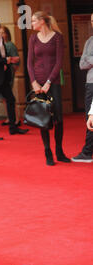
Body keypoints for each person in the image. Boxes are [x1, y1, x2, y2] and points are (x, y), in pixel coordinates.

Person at [27, 11, 69, 165]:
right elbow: (29, 63)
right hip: (38, 83)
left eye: (33, 21)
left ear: (42, 21)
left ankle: (59, 150)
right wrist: (34, 82)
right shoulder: (32, 38)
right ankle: (47, 151)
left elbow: (59, 62)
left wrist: (49, 82)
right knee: (42, 117)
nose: (31, 24)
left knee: (58, 117)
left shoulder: (57, 37)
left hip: (53, 82)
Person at [72, 13, 93, 163]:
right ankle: (87, 152)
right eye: (92, 20)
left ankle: (87, 152)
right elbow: (81, 64)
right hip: (90, 83)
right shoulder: (89, 41)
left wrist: (89, 58)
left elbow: (87, 61)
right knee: (90, 117)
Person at [0, 26, 21, 126]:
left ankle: (16, 118)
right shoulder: (0, 45)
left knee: (9, 97)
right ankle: (9, 117)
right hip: (2, 74)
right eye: (0, 33)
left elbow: (17, 59)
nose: (2, 35)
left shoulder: (10, 45)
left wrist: (10, 68)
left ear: (7, 34)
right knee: (4, 98)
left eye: (3, 32)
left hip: (8, 73)